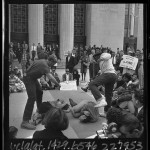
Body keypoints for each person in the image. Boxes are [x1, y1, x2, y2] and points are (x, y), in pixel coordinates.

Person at [21, 55, 60, 130]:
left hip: (31, 77)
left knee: (39, 92)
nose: (53, 65)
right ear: (50, 61)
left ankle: (39, 110)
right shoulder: (45, 66)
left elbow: (32, 65)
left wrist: (29, 72)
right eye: (53, 63)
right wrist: (58, 84)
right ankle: (25, 121)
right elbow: (51, 78)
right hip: (29, 78)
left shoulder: (42, 60)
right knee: (31, 98)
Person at [89, 52, 118, 116]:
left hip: (109, 74)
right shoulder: (100, 63)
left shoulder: (104, 55)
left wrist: (101, 58)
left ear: (98, 56)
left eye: (95, 58)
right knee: (108, 94)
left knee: (91, 85)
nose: (96, 60)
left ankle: (100, 99)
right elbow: (102, 72)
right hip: (112, 76)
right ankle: (106, 113)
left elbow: (109, 55)